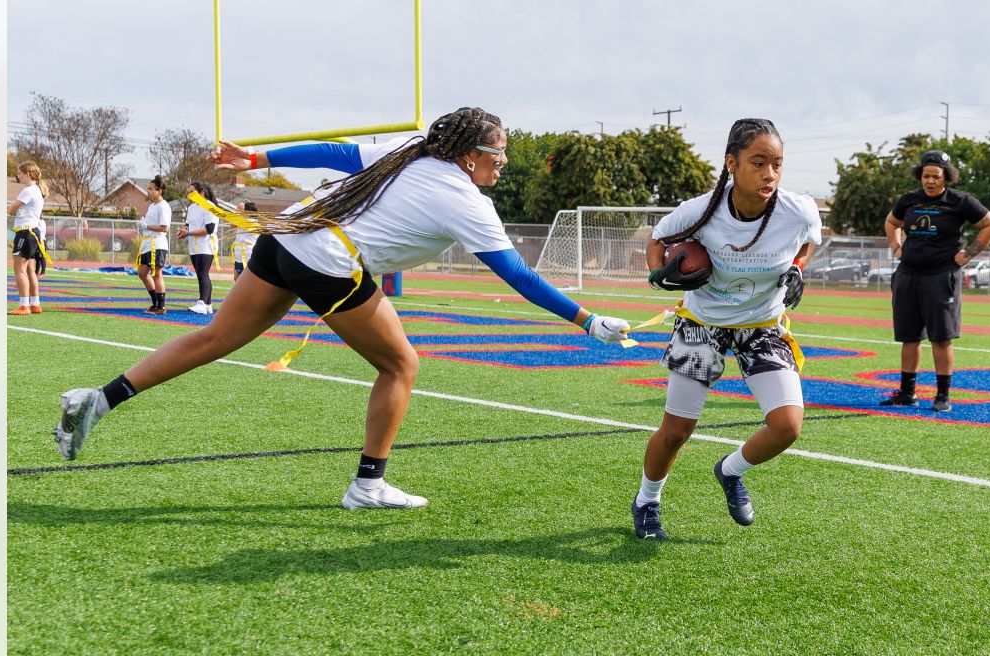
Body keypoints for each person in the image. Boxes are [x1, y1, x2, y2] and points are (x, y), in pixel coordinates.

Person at [53, 107, 631, 511]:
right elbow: (519, 276)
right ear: (469, 154)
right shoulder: (462, 196)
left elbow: (337, 152)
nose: (503, 163)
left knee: (213, 339)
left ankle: (98, 399)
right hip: (328, 259)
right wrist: (587, 320)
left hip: (290, 234)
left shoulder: (413, 146)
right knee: (402, 367)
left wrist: (257, 157)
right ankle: (368, 485)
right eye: (498, 154)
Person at [634, 118, 821, 541]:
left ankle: (730, 470)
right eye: (758, 162)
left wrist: (797, 268)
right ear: (731, 163)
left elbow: (809, 241)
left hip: (762, 325)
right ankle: (647, 500)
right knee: (677, 430)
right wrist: (658, 275)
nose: (770, 174)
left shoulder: (799, 210)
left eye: (777, 164)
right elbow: (656, 241)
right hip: (703, 324)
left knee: (787, 426)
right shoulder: (700, 211)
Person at [880, 150, 990, 412]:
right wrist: (896, 246)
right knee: (909, 338)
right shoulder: (909, 200)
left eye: (936, 176)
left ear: (946, 177)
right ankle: (907, 393)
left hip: (941, 276)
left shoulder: (960, 201)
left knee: (941, 338)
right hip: (908, 275)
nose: (930, 181)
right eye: (926, 175)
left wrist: (968, 254)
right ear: (920, 176)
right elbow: (892, 221)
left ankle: (943, 395)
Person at [8, 161, 48, 315]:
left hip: (25, 232)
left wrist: (11, 209)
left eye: (20, 173)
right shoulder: (37, 190)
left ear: (28, 174)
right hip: (33, 233)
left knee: (19, 269)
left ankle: (24, 305)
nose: (18, 176)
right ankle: (35, 303)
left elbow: (12, 209)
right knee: (30, 270)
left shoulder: (28, 190)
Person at [178, 181, 220, 314]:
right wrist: (184, 231)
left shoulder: (209, 206)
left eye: (192, 192)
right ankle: (208, 304)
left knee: (203, 273)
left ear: (201, 193)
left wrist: (189, 233)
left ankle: (202, 302)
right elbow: (188, 225)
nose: (189, 194)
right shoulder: (191, 208)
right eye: (188, 192)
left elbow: (209, 229)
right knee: (201, 274)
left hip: (206, 244)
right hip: (194, 245)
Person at [135, 176, 172, 315]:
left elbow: (164, 228)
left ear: (159, 190)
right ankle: (155, 301)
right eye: (148, 189)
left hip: (157, 243)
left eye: (151, 189)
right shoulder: (152, 206)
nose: (148, 191)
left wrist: (148, 226)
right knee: (142, 273)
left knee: (157, 274)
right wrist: (143, 226)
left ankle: (160, 307)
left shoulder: (164, 206)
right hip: (147, 243)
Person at [230, 201, 259, 281]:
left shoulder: (252, 222)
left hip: (247, 253)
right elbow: (232, 225)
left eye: (243, 210)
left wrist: (238, 212)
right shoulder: (242, 220)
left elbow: (234, 222)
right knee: (237, 277)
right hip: (239, 252)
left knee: (246, 278)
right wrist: (238, 210)